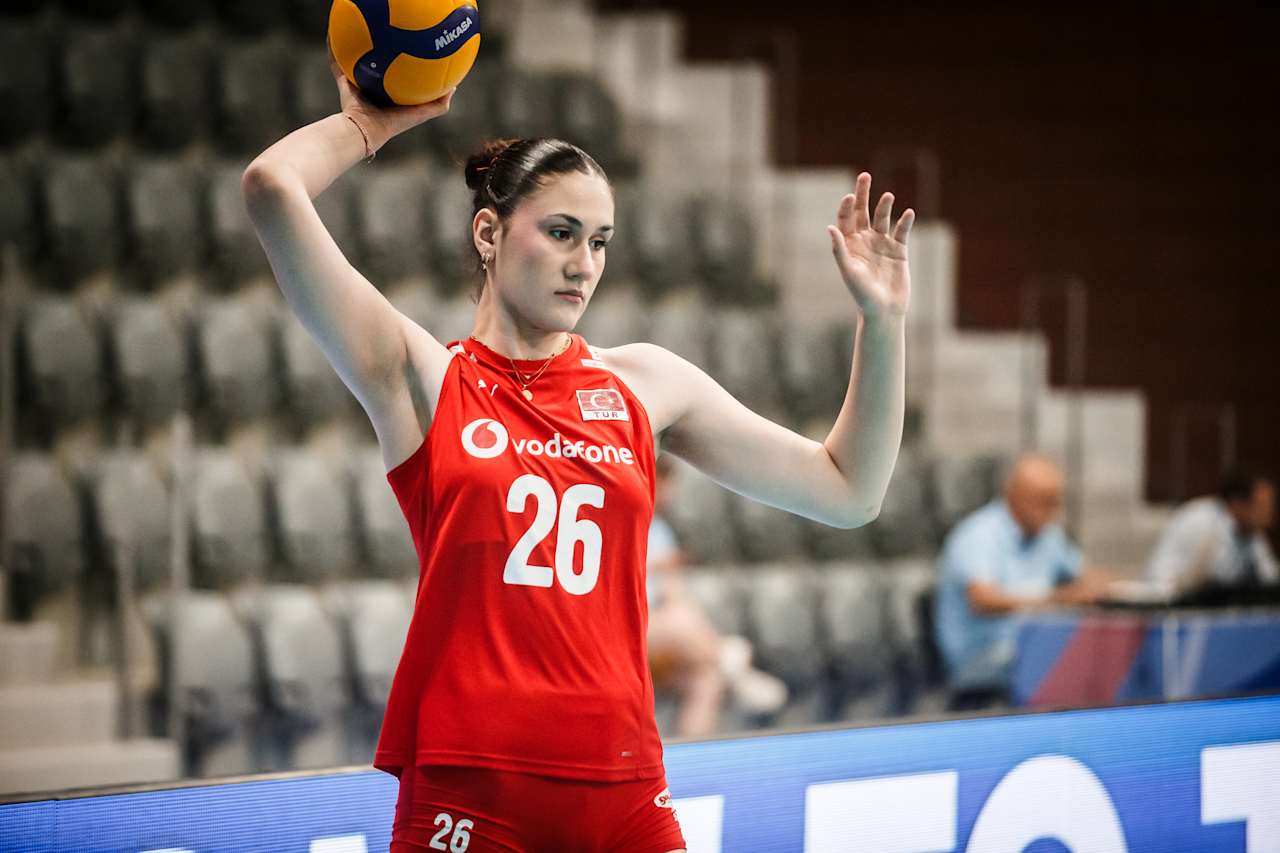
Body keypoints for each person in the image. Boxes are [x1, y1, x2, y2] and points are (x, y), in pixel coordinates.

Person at [241, 52, 912, 852]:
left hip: (626, 792)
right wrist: (371, 122)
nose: (584, 263)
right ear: (488, 234)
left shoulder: (646, 383)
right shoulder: (425, 377)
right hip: (471, 795)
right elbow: (272, 187)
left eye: (600, 241)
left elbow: (849, 490)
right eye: (561, 233)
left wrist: (883, 326)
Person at [933, 453, 1112, 711]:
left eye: (1056, 502)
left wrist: (1109, 589)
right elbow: (982, 600)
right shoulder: (979, 535)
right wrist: (1057, 599)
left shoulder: (1048, 535)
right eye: (1044, 501)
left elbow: (1084, 575)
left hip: (1030, 652)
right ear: (1014, 496)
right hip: (981, 660)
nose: (1052, 511)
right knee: (1063, 659)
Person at [645, 455, 787, 737]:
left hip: (658, 635)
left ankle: (694, 750)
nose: (669, 494)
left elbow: (673, 592)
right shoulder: (613, 519)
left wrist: (670, 581)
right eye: (664, 484)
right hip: (622, 629)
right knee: (683, 625)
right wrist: (650, 566)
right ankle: (727, 660)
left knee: (706, 676)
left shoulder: (660, 530)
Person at [1144, 467, 1278, 601]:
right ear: (1238, 503)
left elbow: (1269, 577)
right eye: (1262, 507)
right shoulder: (1200, 521)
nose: (1269, 514)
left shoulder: (1251, 533)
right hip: (1180, 606)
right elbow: (1162, 581)